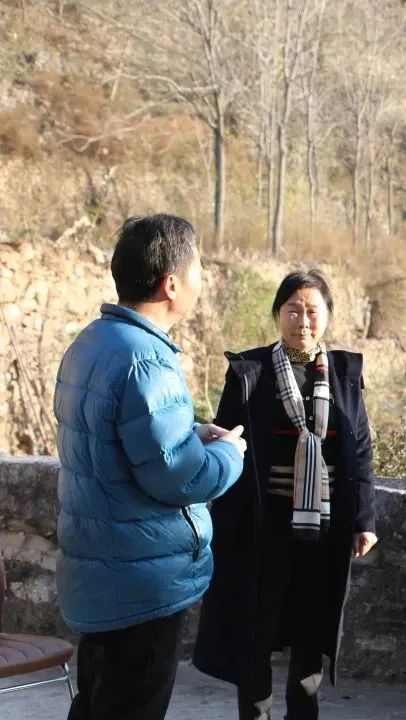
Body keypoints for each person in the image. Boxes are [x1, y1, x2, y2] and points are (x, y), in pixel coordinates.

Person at [54, 214, 246, 720]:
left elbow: (113, 440)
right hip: (140, 581)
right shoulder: (147, 359)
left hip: (100, 569)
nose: (202, 281)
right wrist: (230, 454)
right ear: (171, 284)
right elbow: (180, 477)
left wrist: (191, 432)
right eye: (198, 269)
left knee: (96, 702)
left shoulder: (92, 341)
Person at [193, 270, 377, 720]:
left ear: (328, 316)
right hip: (262, 526)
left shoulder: (344, 373)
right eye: (293, 310)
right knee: (256, 628)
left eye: (313, 311)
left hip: (323, 529)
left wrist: (364, 520)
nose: (303, 321)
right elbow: (227, 443)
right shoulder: (250, 372)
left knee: (311, 627)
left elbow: (360, 449)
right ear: (278, 314)